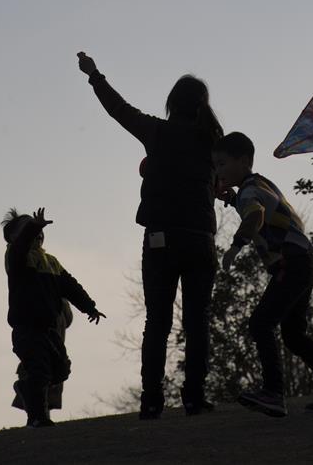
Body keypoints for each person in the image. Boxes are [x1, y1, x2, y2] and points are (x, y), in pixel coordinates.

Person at [77, 51, 222, 419]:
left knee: (157, 320)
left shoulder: (158, 132)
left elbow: (119, 109)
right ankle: (193, 397)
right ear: (202, 106)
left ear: (172, 102)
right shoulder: (212, 142)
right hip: (200, 239)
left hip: (161, 238)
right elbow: (217, 182)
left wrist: (95, 74)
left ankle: (152, 400)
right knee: (197, 319)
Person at [212, 132, 313, 417]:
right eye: (215, 166)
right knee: (293, 335)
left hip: (291, 263)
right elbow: (257, 205)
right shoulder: (259, 184)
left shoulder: (249, 192)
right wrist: (231, 198)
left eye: (222, 165)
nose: (218, 171)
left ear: (243, 161)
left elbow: (255, 216)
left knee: (261, 324)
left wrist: (235, 247)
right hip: (303, 261)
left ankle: (274, 392)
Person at [2, 206, 105, 427]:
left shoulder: (51, 262)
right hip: (27, 328)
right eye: (28, 229)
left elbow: (70, 286)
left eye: (39, 230)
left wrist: (89, 307)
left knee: (60, 370)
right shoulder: (16, 257)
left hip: (49, 329)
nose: (36, 233)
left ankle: (26, 388)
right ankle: (37, 418)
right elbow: (21, 245)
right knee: (39, 371)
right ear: (12, 237)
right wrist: (33, 226)